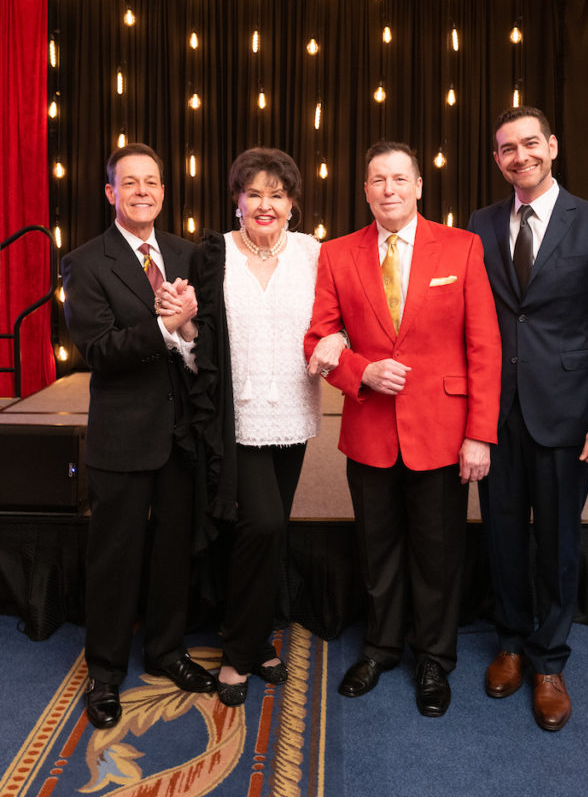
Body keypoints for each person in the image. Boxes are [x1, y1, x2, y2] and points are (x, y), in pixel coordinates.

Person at [304, 141, 501, 717]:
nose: (388, 189)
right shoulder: (337, 255)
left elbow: (484, 347)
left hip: (445, 431)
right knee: (377, 549)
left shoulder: (462, 248)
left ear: (418, 186)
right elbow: (318, 341)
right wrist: (362, 370)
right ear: (364, 190)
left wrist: (479, 433)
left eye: (398, 178)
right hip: (369, 428)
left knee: (438, 554)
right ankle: (381, 647)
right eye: (376, 180)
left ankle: (435, 658)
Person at [467, 106, 588, 731]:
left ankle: (548, 659)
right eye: (508, 148)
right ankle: (511, 644)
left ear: (553, 146)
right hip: (496, 411)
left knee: (560, 539)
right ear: (498, 160)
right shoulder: (479, 225)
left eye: (530, 144)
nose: (521, 156)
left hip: (570, 413)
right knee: (503, 534)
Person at [159, 147, 345, 708]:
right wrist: (186, 328)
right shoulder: (212, 256)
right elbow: (199, 346)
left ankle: (255, 634)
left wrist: (340, 342)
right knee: (260, 525)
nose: (266, 205)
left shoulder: (315, 254)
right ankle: (241, 653)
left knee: (268, 529)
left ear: (292, 204)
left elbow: (337, 321)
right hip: (234, 419)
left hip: (294, 413)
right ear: (237, 200)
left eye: (278, 195)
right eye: (255, 193)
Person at [61, 143, 215, 731]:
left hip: (181, 436)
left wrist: (193, 327)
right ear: (111, 194)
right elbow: (99, 350)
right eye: (131, 183)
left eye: (152, 182)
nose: (143, 191)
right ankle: (104, 671)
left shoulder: (185, 253)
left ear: (163, 191)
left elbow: (207, 341)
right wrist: (163, 326)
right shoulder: (85, 261)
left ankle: (166, 650)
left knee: (173, 551)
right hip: (123, 438)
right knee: (115, 557)